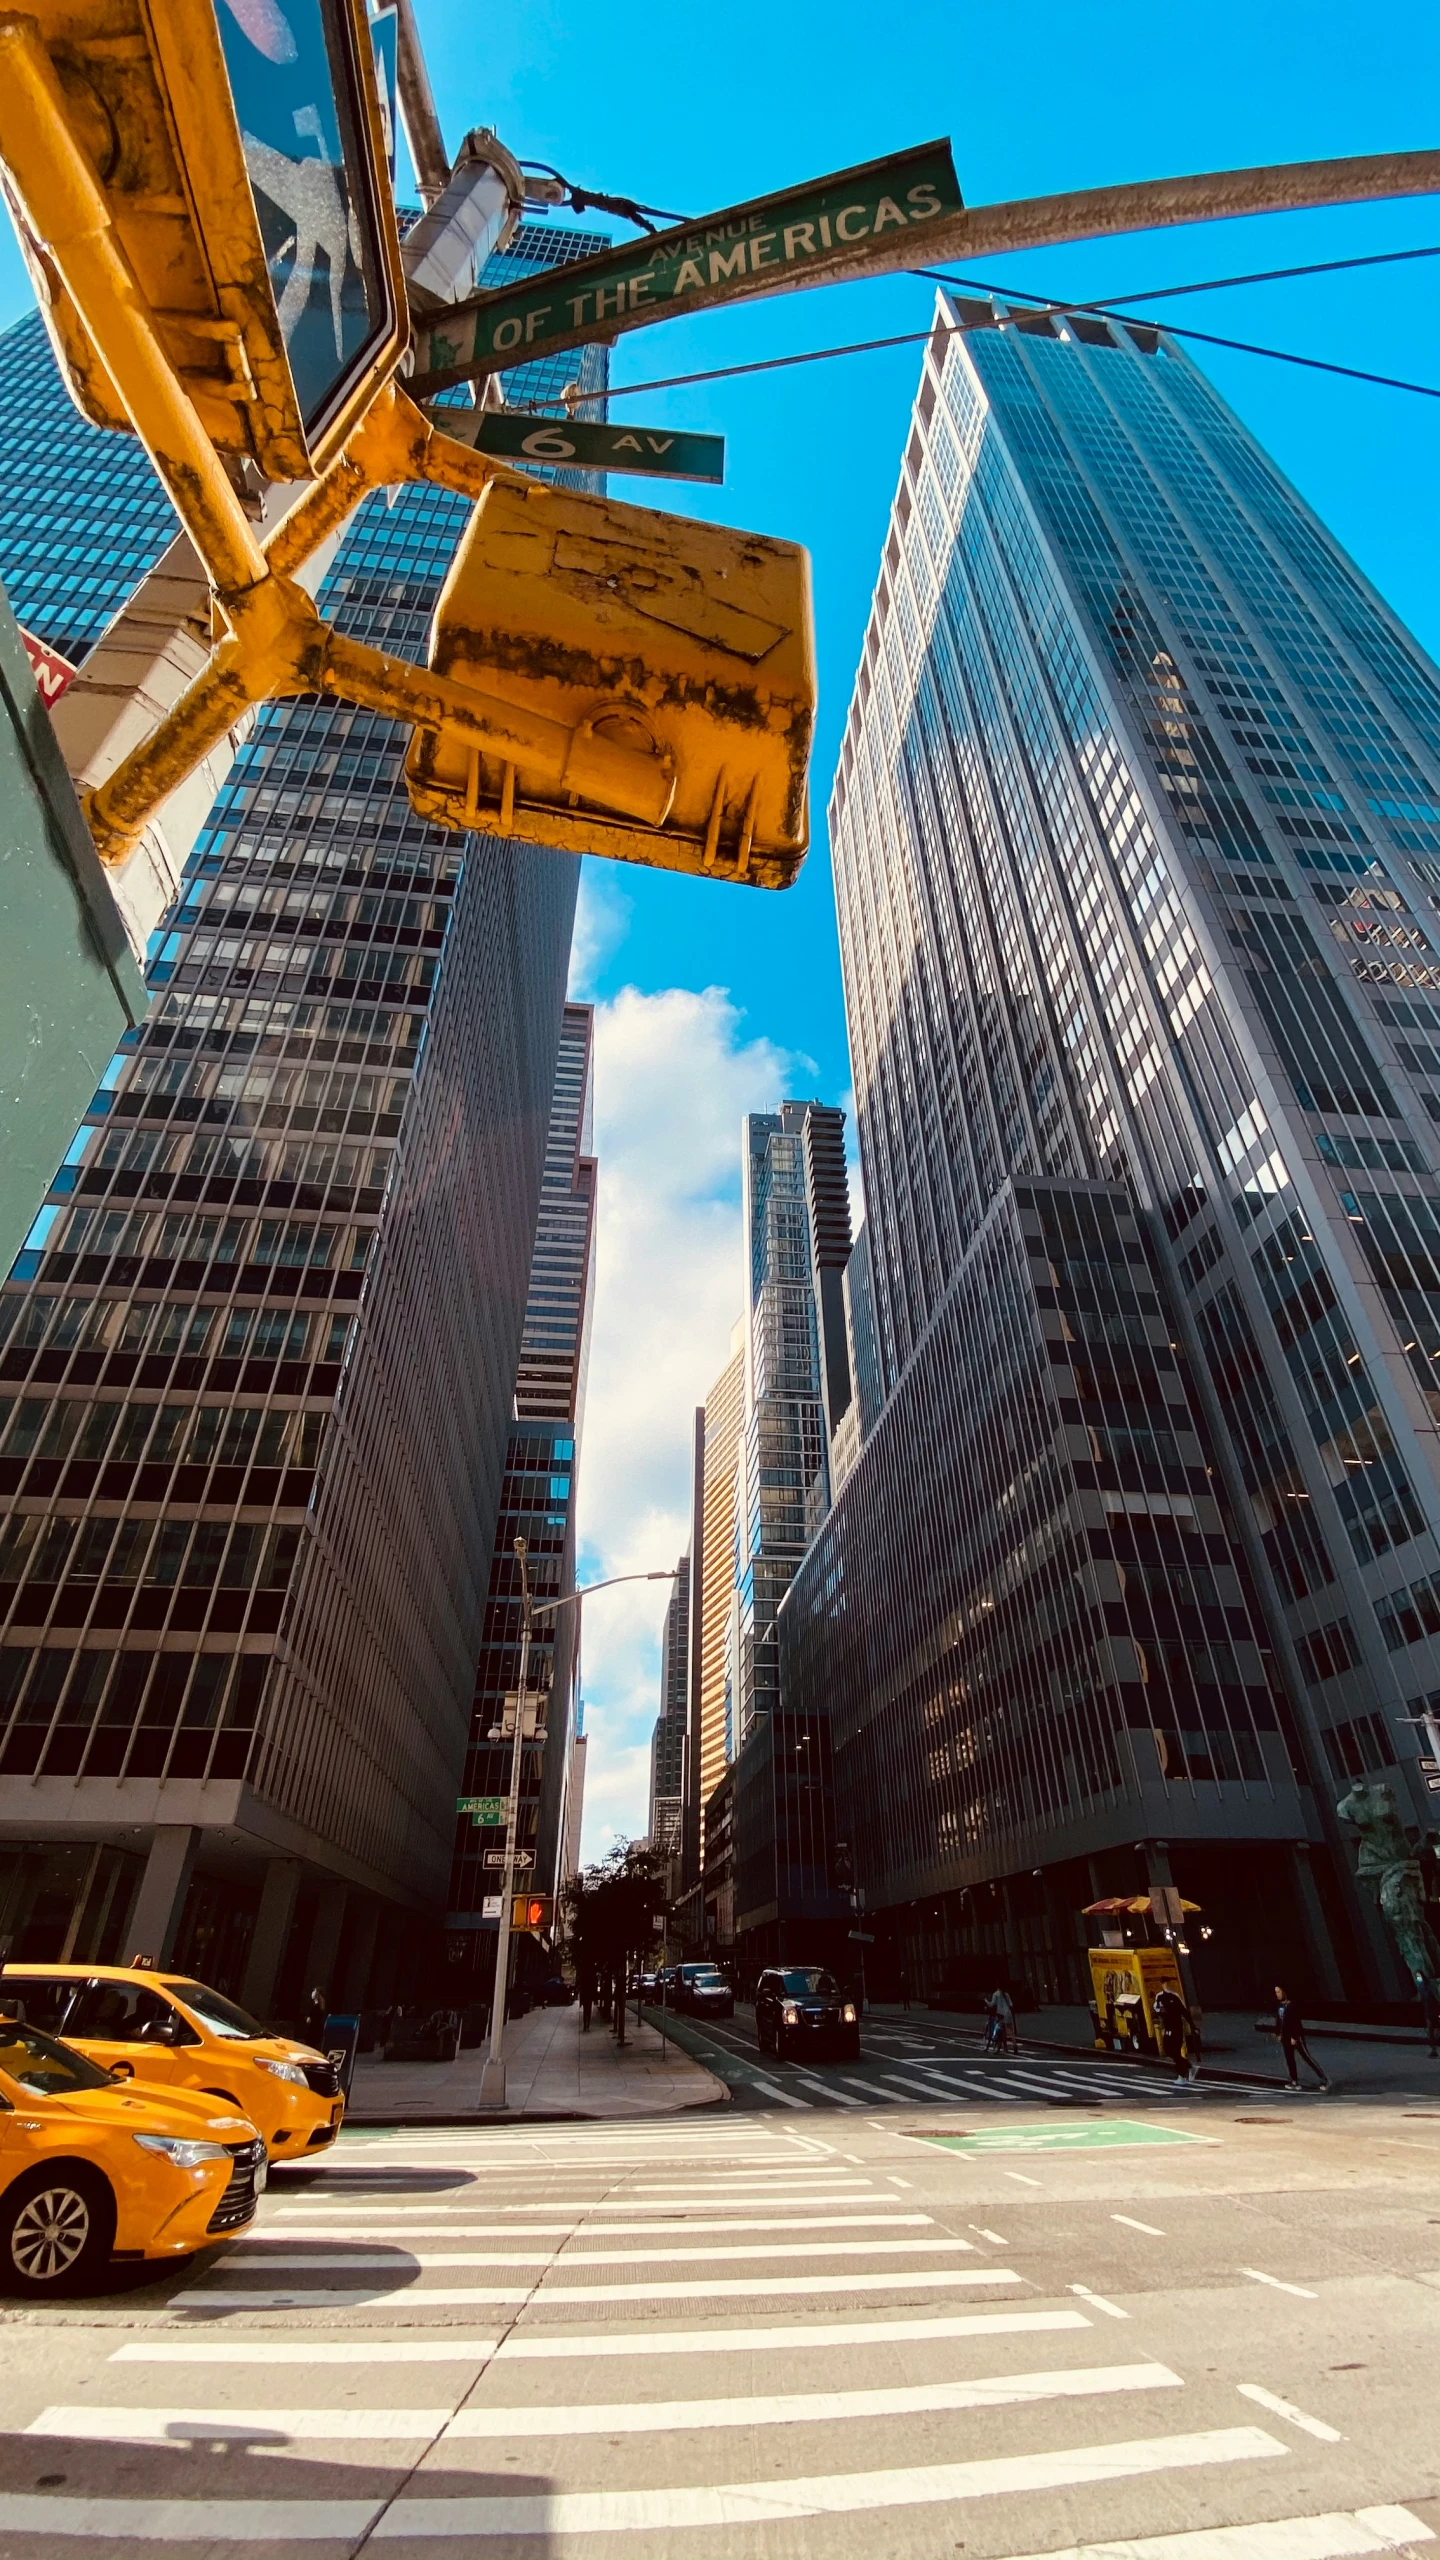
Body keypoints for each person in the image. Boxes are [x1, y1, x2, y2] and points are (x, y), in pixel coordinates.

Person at [1274, 1984, 1330, 2091]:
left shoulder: (1292, 2005)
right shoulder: (1280, 2006)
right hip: (1285, 2037)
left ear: (1284, 1992)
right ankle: (1294, 2081)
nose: (1277, 1994)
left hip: (1295, 2037)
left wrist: (1294, 2037)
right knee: (1289, 2060)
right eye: (1276, 1992)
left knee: (1306, 2057)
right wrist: (1278, 2033)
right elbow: (1279, 2021)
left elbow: (1296, 2023)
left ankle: (1323, 2079)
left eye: (1279, 1992)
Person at [1152, 1981, 1197, 2086]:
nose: (1166, 1985)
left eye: (1167, 1983)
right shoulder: (1159, 1996)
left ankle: (1181, 2076)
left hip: (1176, 2027)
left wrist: (1192, 2026)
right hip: (1168, 2027)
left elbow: (1184, 2011)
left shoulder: (1175, 1996)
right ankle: (1189, 2067)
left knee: (1175, 2051)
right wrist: (1160, 2013)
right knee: (1168, 2050)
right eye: (1164, 1983)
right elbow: (1157, 2008)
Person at [984, 1985, 1016, 2055]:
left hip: (1000, 2014)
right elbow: (1011, 2004)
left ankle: (998, 2046)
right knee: (1010, 2031)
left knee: (999, 2030)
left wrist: (986, 2001)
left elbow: (992, 2004)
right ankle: (1014, 2045)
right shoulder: (1006, 1994)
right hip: (1008, 2014)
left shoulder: (996, 1994)